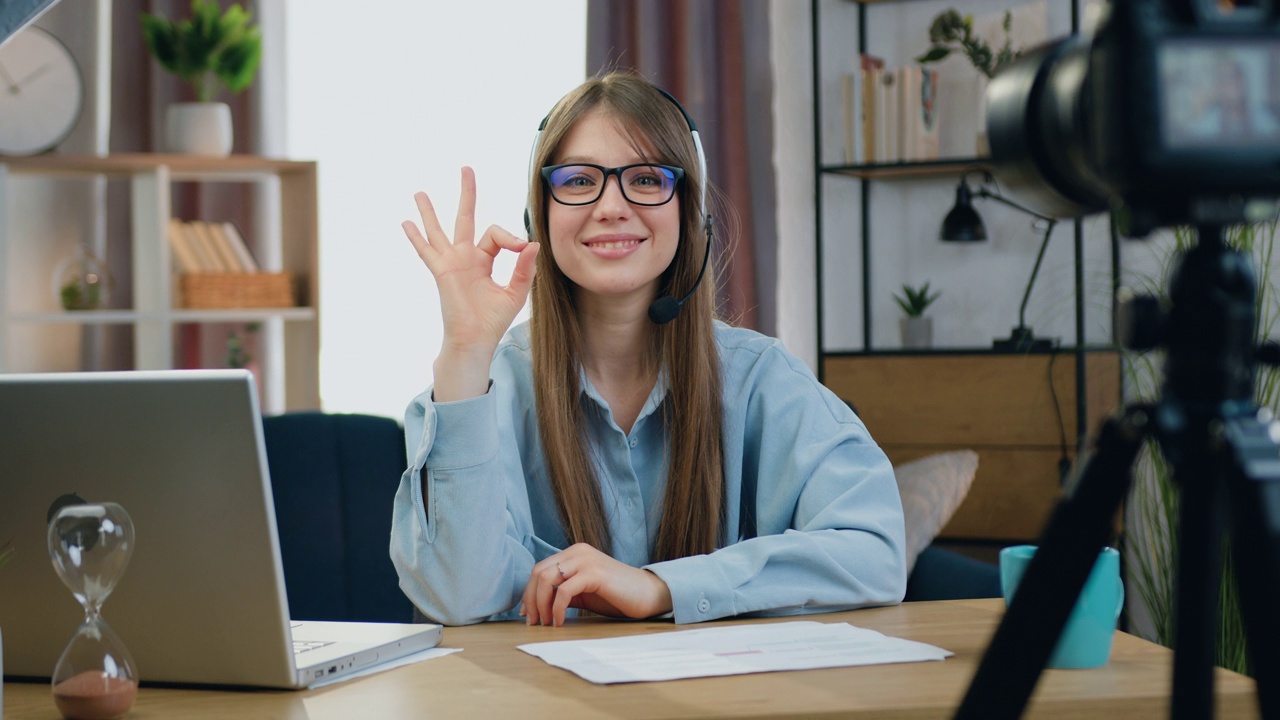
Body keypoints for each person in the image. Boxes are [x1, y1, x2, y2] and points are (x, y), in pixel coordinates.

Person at [390, 72, 906, 627]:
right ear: (539, 214)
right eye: (580, 180)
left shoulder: (759, 378)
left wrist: (662, 588)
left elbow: (875, 553)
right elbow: (458, 599)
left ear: (689, 213)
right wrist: (465, 352)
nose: (611, 206)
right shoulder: (481, 389)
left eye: (644, 178)